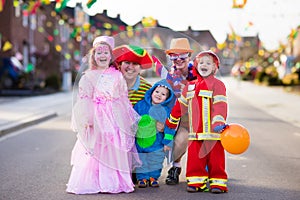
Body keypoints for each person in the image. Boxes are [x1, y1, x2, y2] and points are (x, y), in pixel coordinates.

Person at [66, 36, 141, 194]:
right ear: (93, 56)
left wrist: (126, 118)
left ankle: (112, 181)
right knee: (96, 147)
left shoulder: (117, 75)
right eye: (98, 53)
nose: (102, 56)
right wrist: (87, 118)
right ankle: (95, 180)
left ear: (110, 55)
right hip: (96, 116)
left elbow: (122, 98)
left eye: (105, 52)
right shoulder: (88, 76)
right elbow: (84, 99)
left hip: (113, 117)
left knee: (113, 147)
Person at [164, 50, 229, 193]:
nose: (204, 65)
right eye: (201, 63)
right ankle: (195, 182)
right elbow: (180, 106)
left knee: (216, 160)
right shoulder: (190, 86)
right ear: (196, 66)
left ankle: (218, 183)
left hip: (213, 134)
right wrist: (171, 121)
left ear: (214, 68)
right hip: (195, 134)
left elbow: (220, 105)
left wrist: (218, 122)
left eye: (208, 63)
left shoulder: (218, 85)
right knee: (195, 161)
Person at [156, 38, 196, 185]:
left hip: (191, 120)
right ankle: (145, 170)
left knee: (181, 139)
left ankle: (175, 167)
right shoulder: (169, 76)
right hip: (172, 118)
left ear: (189, 57)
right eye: (174, 56)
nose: (178, 60)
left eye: (182, 56)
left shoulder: (199, 74)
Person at [133, 79, 175, 188]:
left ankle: (153, 177)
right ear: (152, 92)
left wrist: (167, 142)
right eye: (157, 92)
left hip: (157, 143)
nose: (159, 95)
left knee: (156, 160)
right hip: (140, 141)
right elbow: (132, 118)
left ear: (167, 98)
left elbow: (170, 127)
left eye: (163, 94)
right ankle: (142, 178)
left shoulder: (166, 111)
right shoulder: (140, 105)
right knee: (141, 159)